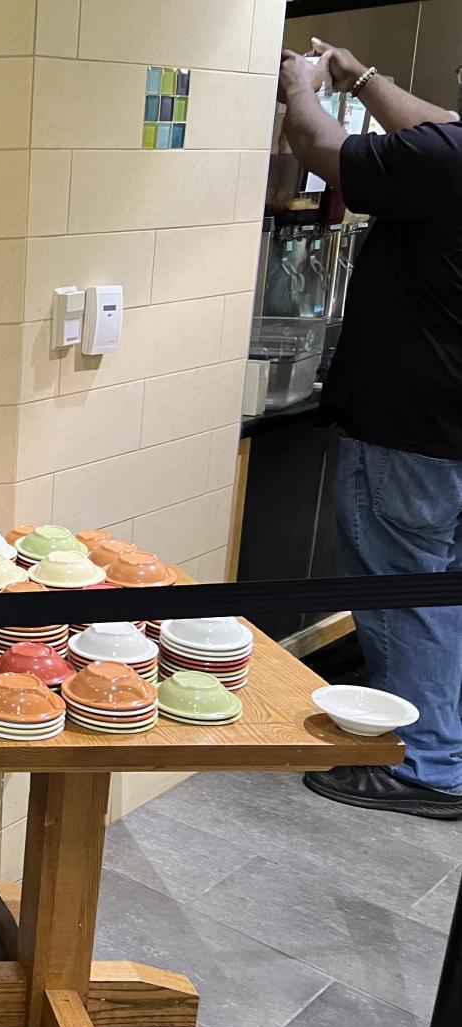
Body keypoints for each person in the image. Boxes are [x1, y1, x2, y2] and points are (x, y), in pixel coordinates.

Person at [278, 41, 462, 819]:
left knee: (402, 594)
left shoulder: (449, 157)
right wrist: (359, 78)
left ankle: (424, 764)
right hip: (449, 427)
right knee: (443, 589)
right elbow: (437, 125)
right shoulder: (449, 147)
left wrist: (302, 89)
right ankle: (446, 740)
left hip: (414, 425)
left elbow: (323, 148)